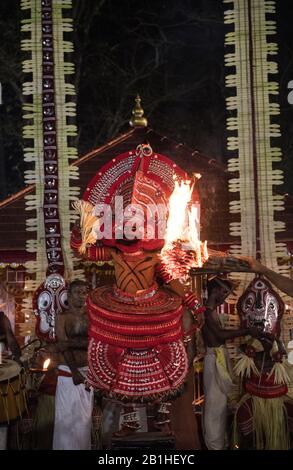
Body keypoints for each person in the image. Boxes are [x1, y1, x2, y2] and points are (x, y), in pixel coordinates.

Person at [201, 277, 259, 450]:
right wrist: (247, 330)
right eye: (225, 292)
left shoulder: (213, 310)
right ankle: (214, 445)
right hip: (214, 359)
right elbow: (220, 335)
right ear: (216, 291)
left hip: (219, 356)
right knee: (215, 404)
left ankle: (221, 443)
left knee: (221, 403)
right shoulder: (206, 310)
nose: (226, 297)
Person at [52, 280, 94, 450]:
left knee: (84, 422)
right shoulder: (62, 317)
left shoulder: (91, 316)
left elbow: (94, 342)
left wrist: (70, 343)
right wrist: (74, 371)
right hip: (68, 373)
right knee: (65, 421)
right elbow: (61, 345)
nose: (82, 296)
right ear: (68, 296)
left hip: (87, 372)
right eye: (78, 292)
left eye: (84, 292)